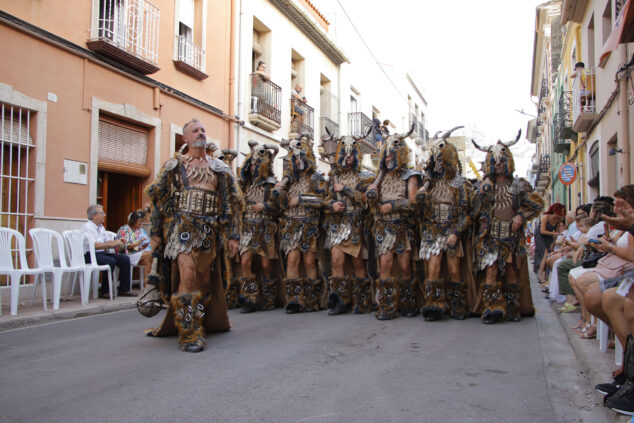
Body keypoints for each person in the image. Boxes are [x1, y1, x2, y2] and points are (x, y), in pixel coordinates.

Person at [144, 118, 241, 353]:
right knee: (187, 275)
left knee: (204, 280)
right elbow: (158, 201)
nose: (201, 133)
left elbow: (231, 204)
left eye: (203, 130)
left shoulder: (220, 168)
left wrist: (233, 236)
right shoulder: (173, 167)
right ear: (185, 138)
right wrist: (155, 234)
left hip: (210, 230)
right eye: (195, 130)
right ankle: (189, 333)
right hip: (182, 228)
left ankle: (199, 320)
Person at [471, 131, 544, 324]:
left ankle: (512, 308)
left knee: (511, 271)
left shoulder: (518, 185)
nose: (498, 165)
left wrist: (521, 215)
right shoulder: (483, 186)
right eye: (494, 162)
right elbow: (474, 212)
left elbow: (536, 205)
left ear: (507, 162)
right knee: (491, 270)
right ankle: (491, 308)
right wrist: (482, 191)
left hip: (511, 237)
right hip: (490, 236)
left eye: (501, 161)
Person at [416, 126, 474, 321]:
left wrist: (456, 233)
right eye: (435, 158)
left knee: (454, 269)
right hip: (433, 232)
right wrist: (421, 198)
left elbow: (467, 214)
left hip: (451, 232)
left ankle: (458, 306)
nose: (438, 162)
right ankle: (433, 305)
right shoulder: (428, 184)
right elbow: (421, 214)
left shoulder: (460, 184)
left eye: (441, 158)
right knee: (432, 268)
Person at [366, 125, 420, 320]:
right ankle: (386, 306)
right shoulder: (379, 177)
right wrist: (371, 193)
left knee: (405, 267)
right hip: (383, 227)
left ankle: (408, 303)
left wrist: (393, 206)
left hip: (402, 226)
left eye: (392, 155)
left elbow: (413, 204)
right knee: (385, 265)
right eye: (386, 155)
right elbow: (371, 202)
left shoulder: (410, 175)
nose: (388, 158)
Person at [273, 135, 327, 313]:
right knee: (292, 260)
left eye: (301, 157)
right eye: (295, 159)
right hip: (290, 224)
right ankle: (294, 299)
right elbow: (281, 205)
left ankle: (312, 300)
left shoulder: (315, 177)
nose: (298, 162)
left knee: (310, 261)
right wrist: (278, 192)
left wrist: (302, 198)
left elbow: (322, 200)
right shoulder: (288, 179)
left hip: (308, 225)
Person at [323, 134, 375, 315]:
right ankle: (340, 301)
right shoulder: (333, 176)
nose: (347, 158)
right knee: (336, 261)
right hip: (337, 224)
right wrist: (332, 204)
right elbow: (324, 200)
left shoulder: (365, 177)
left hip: (356, 223)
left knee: (358, 263)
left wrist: (344, 189)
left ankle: (363, 300)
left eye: (350, 154)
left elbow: (366, 200)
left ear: (356, 155)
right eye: (344, 155)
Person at [237, 141, 280, 313]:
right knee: (245, 261)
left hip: (265, 228)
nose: (254, 167)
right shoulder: (244, 184)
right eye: (252, 163)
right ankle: (250, 298)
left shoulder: (271, 184)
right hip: (247, 227)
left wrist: (266, 207)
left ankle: (269, 299)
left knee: (265, 265)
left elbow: (279, 207)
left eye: (257, 164)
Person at [80, 204, 133, 298]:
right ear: (94, 216)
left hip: (100, 254)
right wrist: (112, 244)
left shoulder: (101, 227)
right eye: (101, 213)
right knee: (110, 261)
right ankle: (104, 291)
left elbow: (105, 241)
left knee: (124, 259)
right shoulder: (87, 227)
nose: (104, 215)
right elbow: (94, 245)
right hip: (89, 255)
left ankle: (124, 289)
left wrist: (117, 241)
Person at [116, 209, 152, 288]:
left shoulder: (136, 231)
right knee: (150, 254)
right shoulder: (124, 229)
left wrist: (142, 247)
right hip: (124, 255)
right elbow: (123, 247)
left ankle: (147, 287)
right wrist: (138, 243)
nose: (141, 224)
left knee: (148, 261)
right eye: (140, 222)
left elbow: (135, 248)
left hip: (133, 254)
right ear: (134, 221)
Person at [533, 203, 566, 282]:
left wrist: (553, 243)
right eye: (561, 211)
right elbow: (542, 231)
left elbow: (557, 232)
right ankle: (541, 276)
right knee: (544, 254)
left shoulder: (559, 219)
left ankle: (546, 276)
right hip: (540, 236)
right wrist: (555, 234)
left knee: (549, 254)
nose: (562, 213)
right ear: (556, 210)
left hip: (549, 237)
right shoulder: (545, 217)